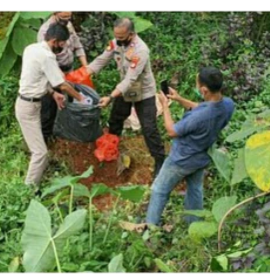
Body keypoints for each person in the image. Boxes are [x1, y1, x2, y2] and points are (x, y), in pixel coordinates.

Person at [146, 66, 235, 225]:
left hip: (181, 159)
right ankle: (194, 224)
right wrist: (179, 99)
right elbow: (201, 107)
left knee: (159, 190)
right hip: (202, 156)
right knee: (195, 190)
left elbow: (172, 131)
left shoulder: (200, 117)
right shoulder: (228, 104)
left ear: (204, 90)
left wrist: (165, 106)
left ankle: (150, 227)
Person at [87, 18, 165, 177]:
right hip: (125, 88)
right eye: (116, 37)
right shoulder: (116, 42)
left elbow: (131, 78)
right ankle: (111, 149)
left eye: (122, 38)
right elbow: (102, 59)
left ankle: (160, 161)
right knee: (116, 118)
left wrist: (110, 97)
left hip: (143, 92)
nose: (118, 41)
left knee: (149, 128)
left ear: (132, 34)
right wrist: (85, 73)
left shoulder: (140, 50)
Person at [15, 23, 83, 186]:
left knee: (38, 147)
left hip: (29, 103)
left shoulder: (31, 49)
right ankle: (28, 190)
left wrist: (53, 94)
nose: (64, 47)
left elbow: (36, 78)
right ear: (54, 41)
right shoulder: (47, 56)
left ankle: (38, 176)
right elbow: (63, 84)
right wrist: (82, 99)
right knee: (40, 153)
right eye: (62, 43)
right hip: (28, 108)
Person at [38, 12, 88, 143]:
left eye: (69, 17)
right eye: (64, 17)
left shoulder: (68, 25)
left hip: (68, 71)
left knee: (65, 102)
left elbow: (78, 46)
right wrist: (81, 98)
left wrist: (86, 68)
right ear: (55, 13)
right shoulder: (45, 31)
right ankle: (45, 137)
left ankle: (65, 128)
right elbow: (47, 58)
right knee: (49, 106)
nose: (67, 20)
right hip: (52, 72)